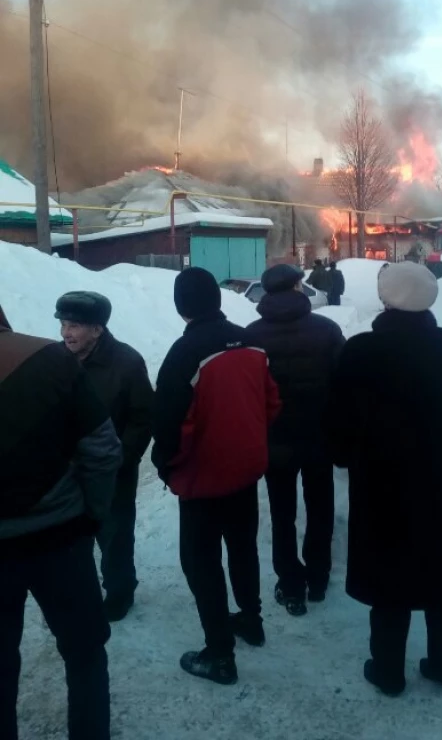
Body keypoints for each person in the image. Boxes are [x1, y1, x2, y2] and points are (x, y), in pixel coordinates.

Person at [329, 262, 442, 697]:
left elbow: (338, 422)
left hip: (381, 488)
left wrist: (348, 457)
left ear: (386, 299)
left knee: (388, 580)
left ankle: (388, 670)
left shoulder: (361, 352)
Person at [152, 268, 280, 686]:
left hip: (203, 478)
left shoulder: (184, 354)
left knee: (200, 561)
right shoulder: (252, 342)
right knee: (243, 548)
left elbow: (169, 425)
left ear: (180, 306)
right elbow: (271, 404)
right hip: (246, 469)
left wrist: (165, 465)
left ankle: (220, 654)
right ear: (218, 300)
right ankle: (250, 620)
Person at [0, 302, 122, 740]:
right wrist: (93, 515)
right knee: (86, 654)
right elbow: (104, 451)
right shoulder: (49, 358)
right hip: (60, 541)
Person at [246, 264, 345, 616]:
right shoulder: (327, 330)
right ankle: (317, 579)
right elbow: (344, 388)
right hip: (319, 438)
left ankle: (290, 585)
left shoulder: (251, 336)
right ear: (300, 287)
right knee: (320, 508)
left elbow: (248, 394)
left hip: (275, 441)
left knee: (282, 512)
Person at [55, 291, 153, 622]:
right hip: (68, 472)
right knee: (72, 538)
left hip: (113, 473)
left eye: (75, 326)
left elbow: (143, 416)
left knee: (114, 537)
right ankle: (81, 592)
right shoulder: (55, 359)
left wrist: (123, 457)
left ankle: (119, 592)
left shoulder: (126, 362)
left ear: (97, 330)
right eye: (64, 324)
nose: (66, 333)